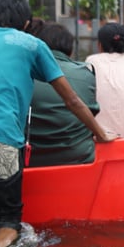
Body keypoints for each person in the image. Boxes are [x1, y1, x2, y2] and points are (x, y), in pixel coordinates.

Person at [0, 0, 115, 247]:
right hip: (0, 142)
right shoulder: (31, 44)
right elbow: (71, 100)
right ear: (26, 24)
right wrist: (101, 133)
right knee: (8, 223)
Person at [28, 23, 100, 167]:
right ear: (71, 50)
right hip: (78, 158)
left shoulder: (23, 73)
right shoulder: (86, 73)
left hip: (31, 159)